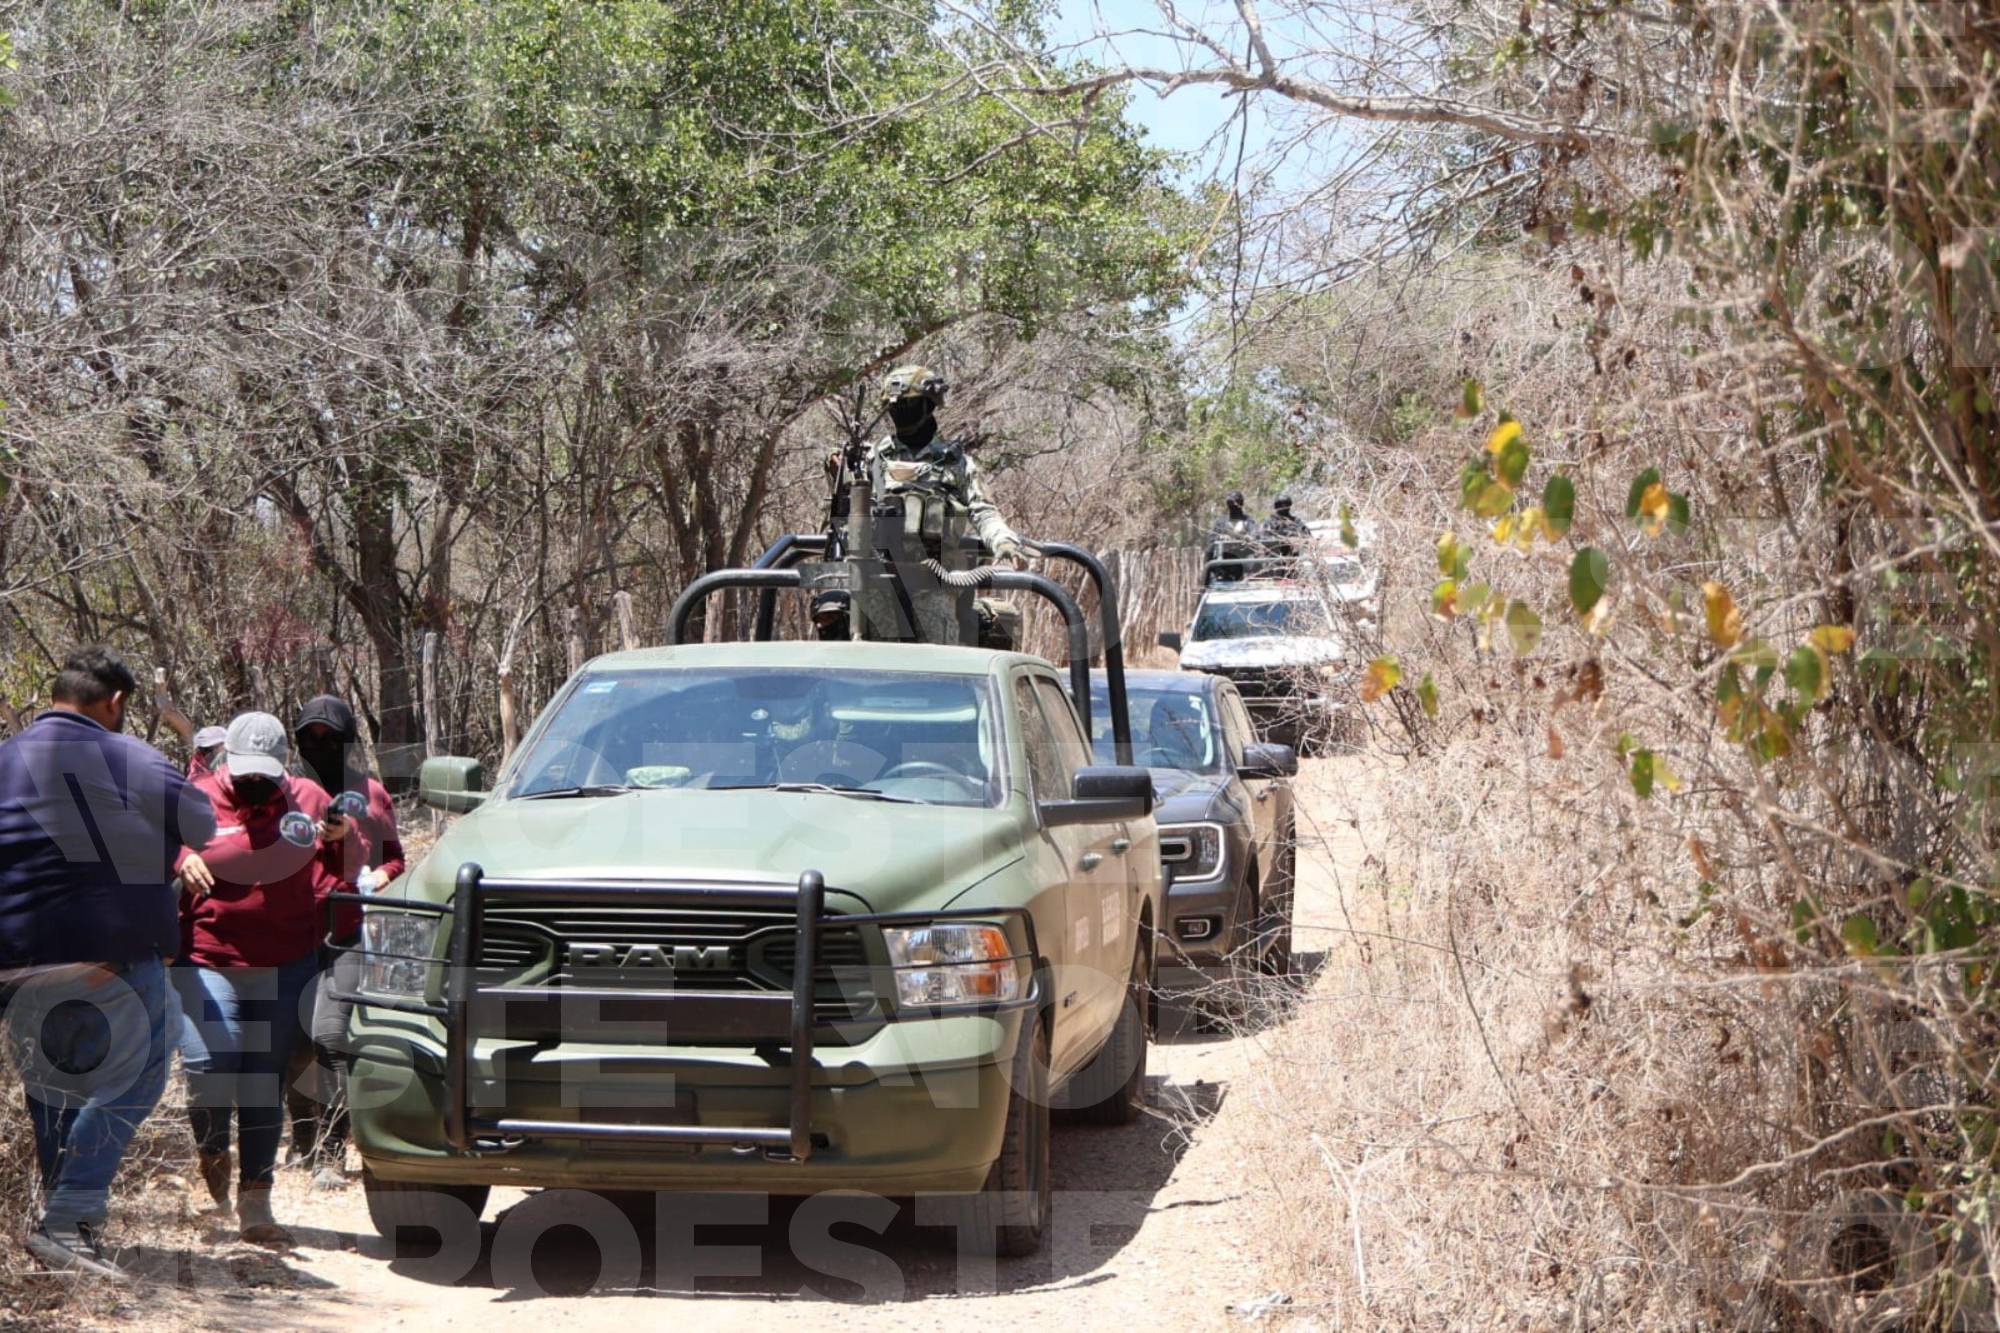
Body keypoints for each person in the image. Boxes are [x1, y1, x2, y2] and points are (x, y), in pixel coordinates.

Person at [0, 647, 215, 1279]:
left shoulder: (6, 758)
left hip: (15, 962)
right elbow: (201, 826)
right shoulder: (134, 758)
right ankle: (67, 1220)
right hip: (111, 956)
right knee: (137, 1077)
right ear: (115, 703)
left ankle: (62, 1229)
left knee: (53, 1087)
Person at [173, 712, 353, 1244]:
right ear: (227, 757)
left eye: (265, 771)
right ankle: (212, 1148)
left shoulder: (308, 800)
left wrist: (343, 839)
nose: (254, 781)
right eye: (244, 769)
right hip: (208, 957)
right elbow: (154, 846)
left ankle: (257, 1200)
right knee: (210, 1061)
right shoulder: (195, 797)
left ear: (284, 764)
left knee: (262, 1080)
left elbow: (341, 869)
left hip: (285, 962)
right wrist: (182, 857)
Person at [288, 695, 403, 1188]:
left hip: (348, 933)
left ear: (347, 740)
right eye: (310, 737)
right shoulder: (286, 793)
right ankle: (304, 1141)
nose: (320, 745)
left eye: (329, 737)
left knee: (331, 1035)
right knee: (294, 1044)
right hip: (291, 933)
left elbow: (396, 856)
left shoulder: (373, 794)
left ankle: (332, 1152)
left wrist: (380, 873)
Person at [1208, 491, 1260, 583]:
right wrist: (1220, 537)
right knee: (1209, 554)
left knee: (1253, 561)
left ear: (1241, 504)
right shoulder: (1221, 522)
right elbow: (1212, 538)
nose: (1234, 506)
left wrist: (1249, 537)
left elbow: (1256, 536)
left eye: (1236, 503)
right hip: (1225, 560)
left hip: (1245, 558)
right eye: (1230, 503)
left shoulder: (1248, 521)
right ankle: (1207, 582)